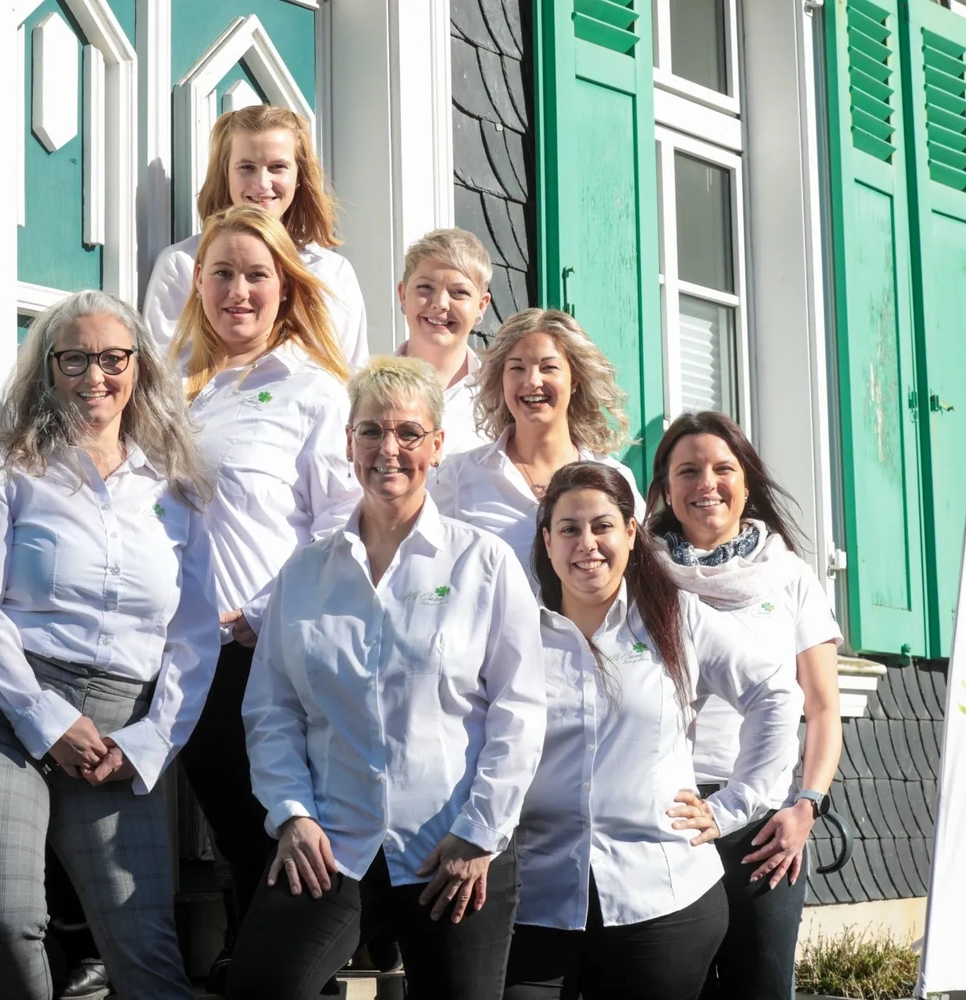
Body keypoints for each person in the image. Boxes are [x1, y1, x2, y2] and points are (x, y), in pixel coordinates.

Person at [0, 289, 219, 1000]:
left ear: (139, 368)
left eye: (113, 357)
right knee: (6, 923)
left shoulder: (177, 492)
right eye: (76, 359)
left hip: (120, 733)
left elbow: (194, 635)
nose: (96, 375)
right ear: (49, 371)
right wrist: (47, 720)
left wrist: (151, 743)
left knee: (144, 949)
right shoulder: (5, 471)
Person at [231, 356, 548, 1000]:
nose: (388, 449)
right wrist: (292, 815)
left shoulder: (482, 563)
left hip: (452, 850)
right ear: (349, 442)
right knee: (261, 986)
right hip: (333, 843)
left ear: (436, 443)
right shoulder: (305, 573)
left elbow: (521, 710)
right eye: (371, 431)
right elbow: (272, 711)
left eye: (408, 432)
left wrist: (479, 832)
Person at [504, 461, 801, 1000]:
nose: (586, 543)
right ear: (546, 542)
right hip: (539, 897)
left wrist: (735, 804)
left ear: (631, 534)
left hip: (662, 899)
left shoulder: (676, 618)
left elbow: (776, 693)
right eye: (569, 528)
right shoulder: (516, 634)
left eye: (602, 526)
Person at [170, 203, 362, 986]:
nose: (237, 291)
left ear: (286, 287)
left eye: (256, 274)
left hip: (263, 653)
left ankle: (270, 971)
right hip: (183, 656)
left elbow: (342, 526)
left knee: (268, 837)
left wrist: (255, 617)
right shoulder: (181, 388)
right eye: (221, 274)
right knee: (234, 831)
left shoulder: (313, 391)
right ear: (199, 285)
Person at [645, 411, 844, 1000]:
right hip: (667, 814)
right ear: (665, 490)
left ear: (746, 482)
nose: (706, 482)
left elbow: (824, 709)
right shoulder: (639, 578)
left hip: (766, 826)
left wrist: (806, 806)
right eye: (688, 471)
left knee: (759, 987)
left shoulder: (790, 578)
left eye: (721, 468)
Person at [143, 104, 368, 368]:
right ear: (226, 172)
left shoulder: (333, 273)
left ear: (299, 175)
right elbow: (163, 375)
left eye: (277, 167)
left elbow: (352, 376)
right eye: (247, 167)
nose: (262, 184)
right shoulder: (181, 264)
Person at [430, 308, 644, 576]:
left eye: (548, 367)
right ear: (502, 379)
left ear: (574, 379)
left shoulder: (615, 478)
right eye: (517, 368)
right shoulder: (458, 476)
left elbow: (641, 578)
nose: (532, 381)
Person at [394, 228, 494, 456]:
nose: (440, 303)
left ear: (481, 305)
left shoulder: (501, 398)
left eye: (459, 292)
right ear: (402, 294)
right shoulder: (364, 393)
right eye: (425, 288)